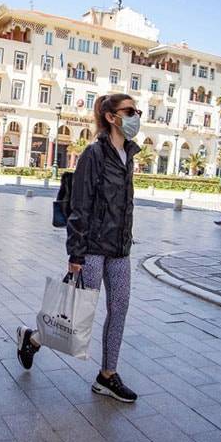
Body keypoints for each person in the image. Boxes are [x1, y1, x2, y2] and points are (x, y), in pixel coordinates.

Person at [16, 93, 141, 403]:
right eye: (129, 110)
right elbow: (79, 206)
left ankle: (107, 376)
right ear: (112, 117)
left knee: (120, 307)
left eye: (137, 111)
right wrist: (76, 253)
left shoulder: (129, 154)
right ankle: (31, 338)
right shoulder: (94, 155)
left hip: (119, 249)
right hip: (93, 247)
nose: (136, 115)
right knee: (76, 311)